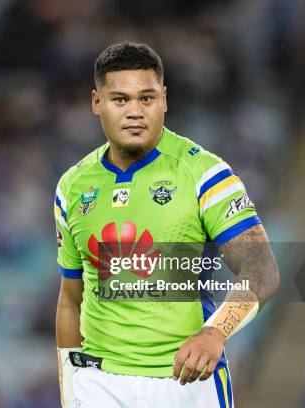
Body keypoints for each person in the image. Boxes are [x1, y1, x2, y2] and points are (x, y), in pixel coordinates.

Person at [54, 42, 280, 407]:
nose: (134, 112)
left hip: (184, 381)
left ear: (164, 99)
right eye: (120, 100)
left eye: (146, 98)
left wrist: (215, 331)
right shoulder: (72, 186)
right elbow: (70, 299)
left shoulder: (204, 174)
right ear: (97, 103)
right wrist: (69, 390)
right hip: (99, 384)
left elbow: (263, 271)